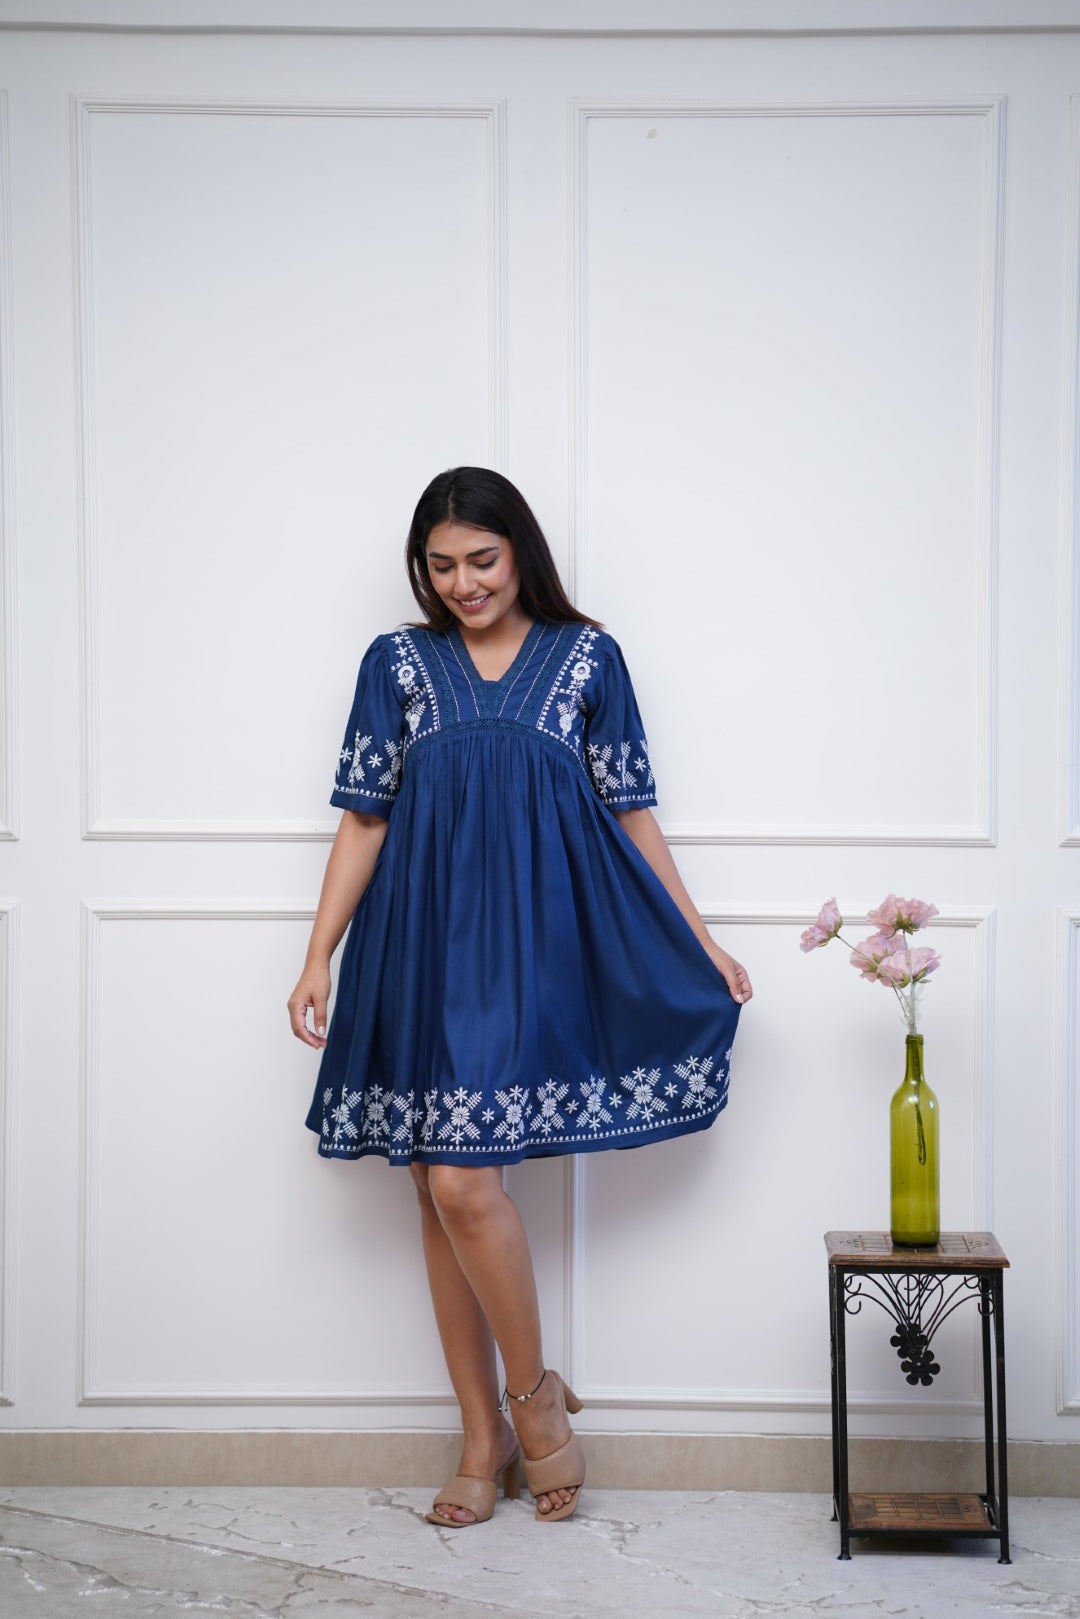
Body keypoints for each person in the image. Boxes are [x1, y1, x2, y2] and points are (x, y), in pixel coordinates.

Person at [288, 467, 752, 1528]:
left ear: (521, 553)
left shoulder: (588, 657)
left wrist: (698, 939)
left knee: (461, 1182)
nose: (464, 583)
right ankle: (481, 1433)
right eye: (441, 565)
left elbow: (630, 811)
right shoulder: (396, 663)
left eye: (483, 560)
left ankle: (534, 1398)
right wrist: (318, 954)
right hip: (415, 942)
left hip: (531, 952)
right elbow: (365, 816)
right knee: (436, 1187)